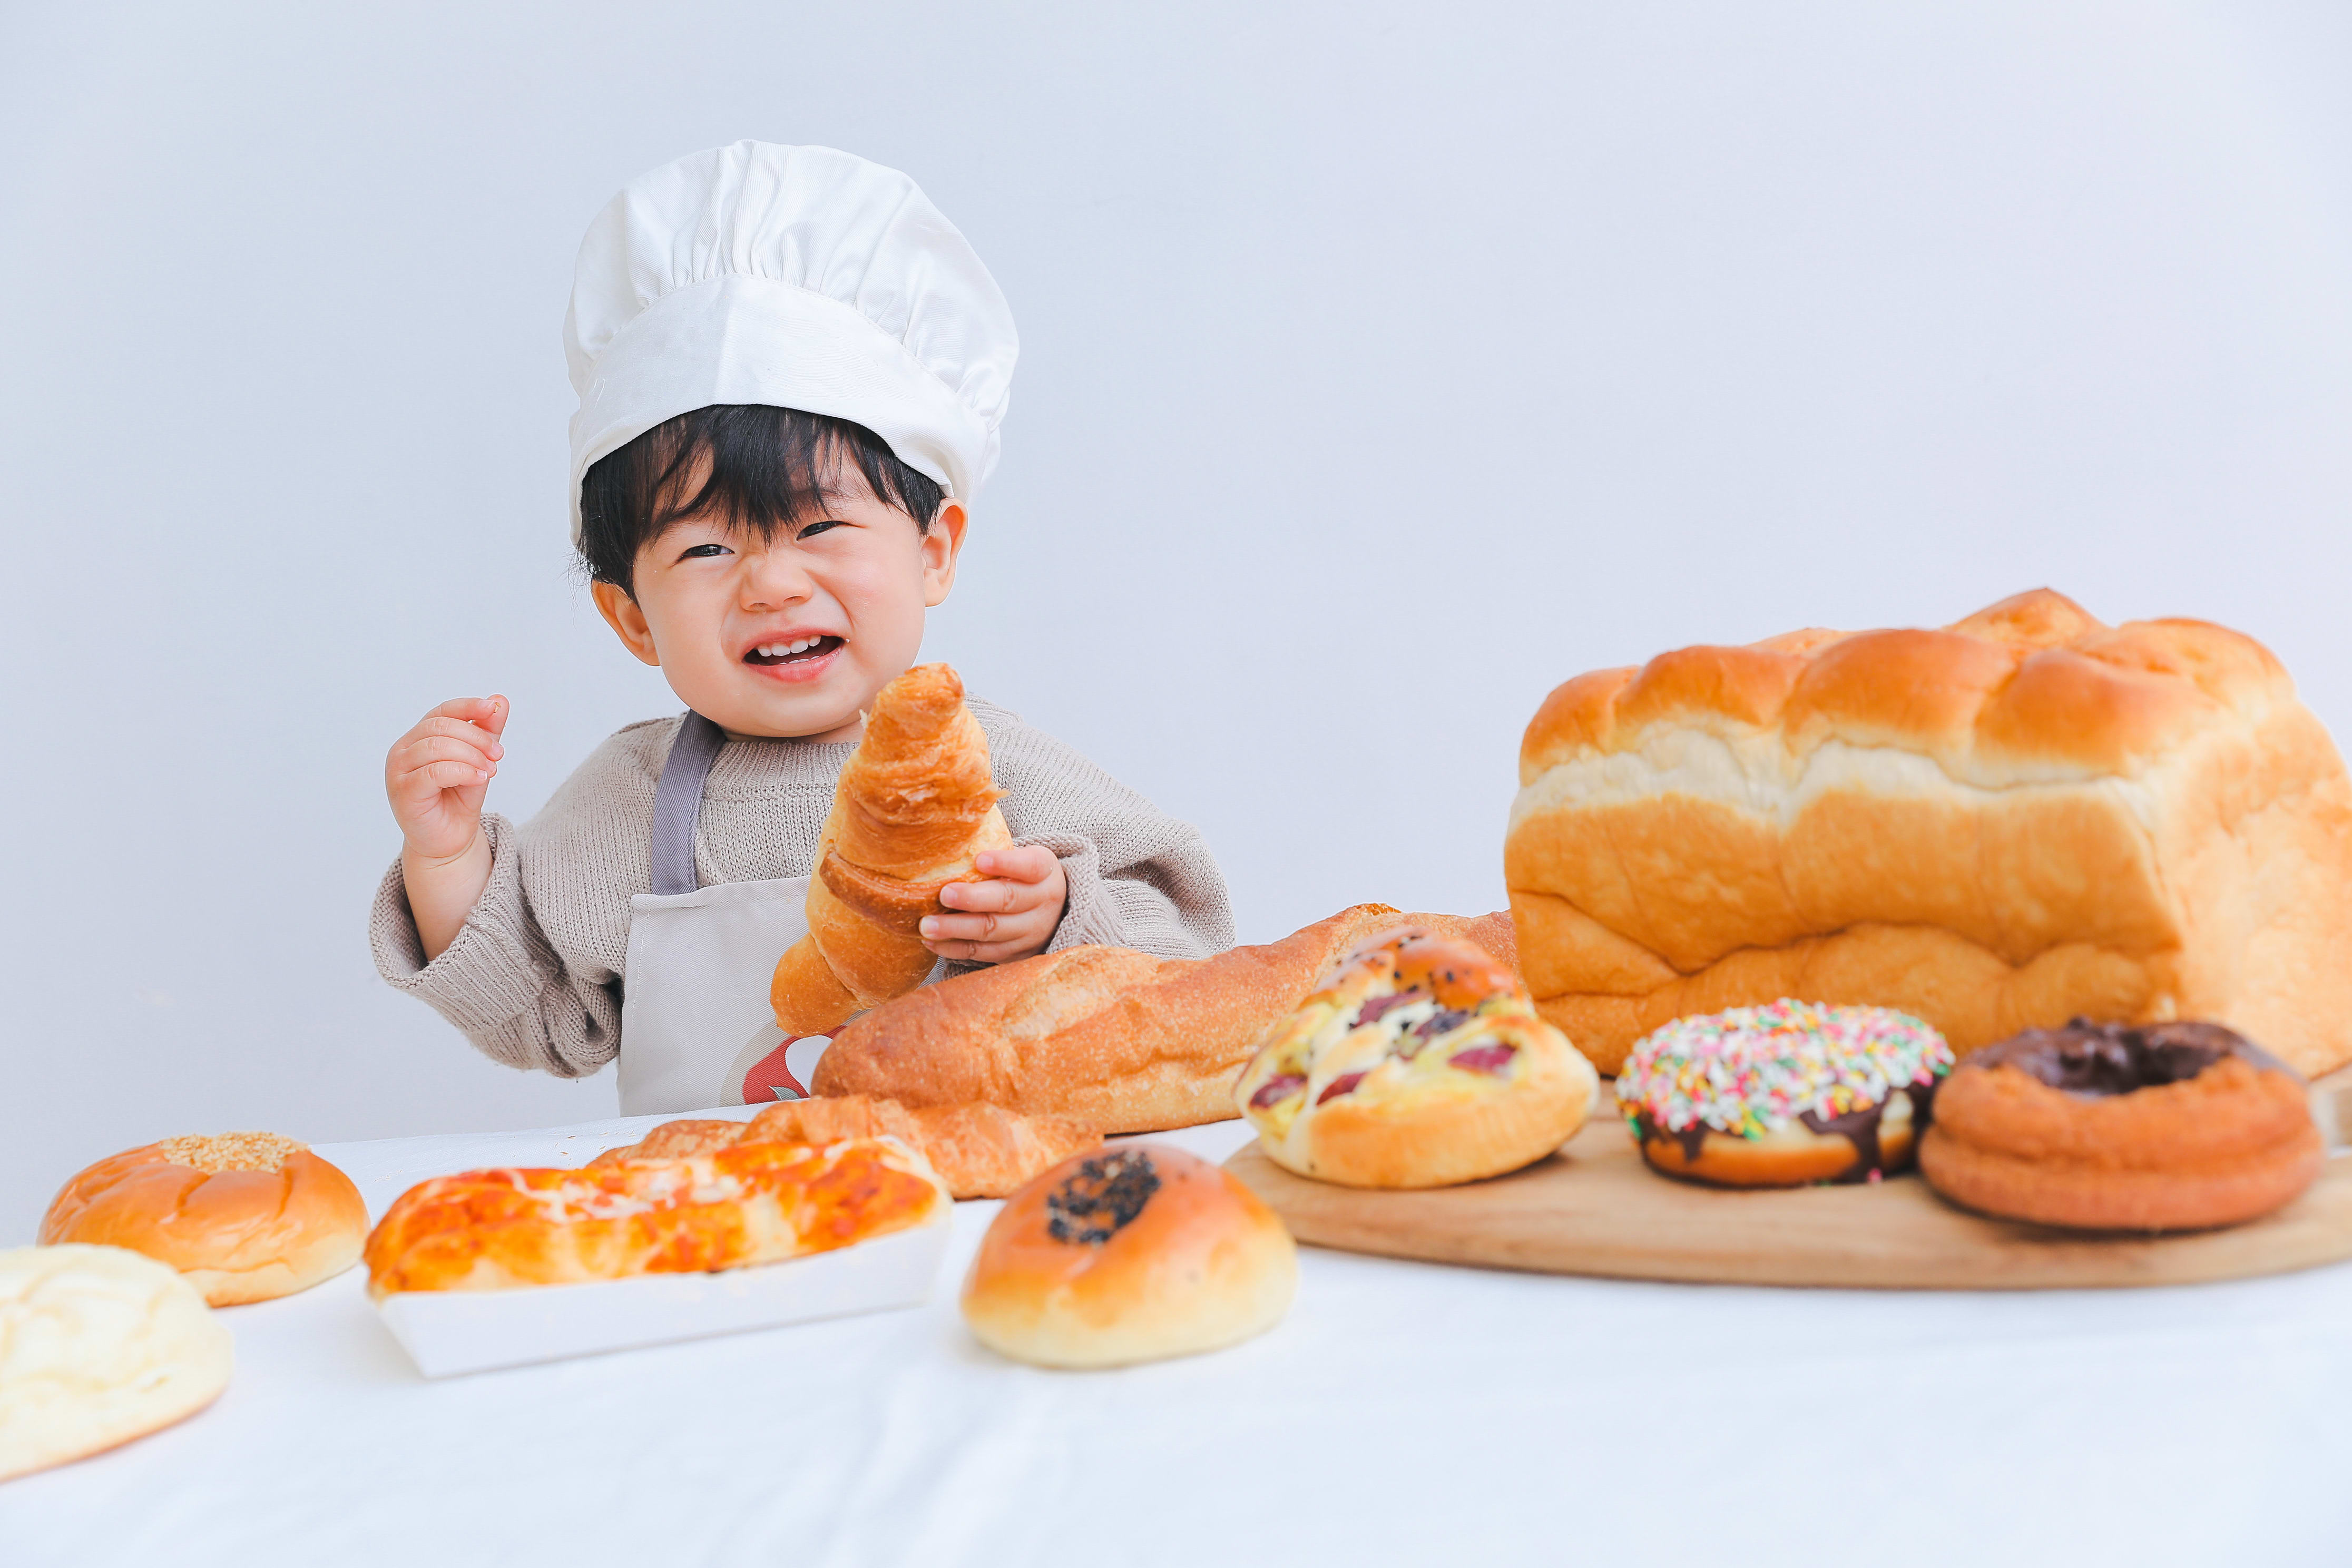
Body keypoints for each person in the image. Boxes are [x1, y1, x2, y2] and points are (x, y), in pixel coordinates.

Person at [369, 142, 1232, 1113]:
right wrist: (444, 860)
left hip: (964, 1208)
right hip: (721, 1232)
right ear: (631, 617)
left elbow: (1184, 966)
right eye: (705, 552)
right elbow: (538, 1019)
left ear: (934, 550)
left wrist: (1058, 915)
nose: (773, 585)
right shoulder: (636, 801)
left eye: (821, 527)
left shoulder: (986, 766)